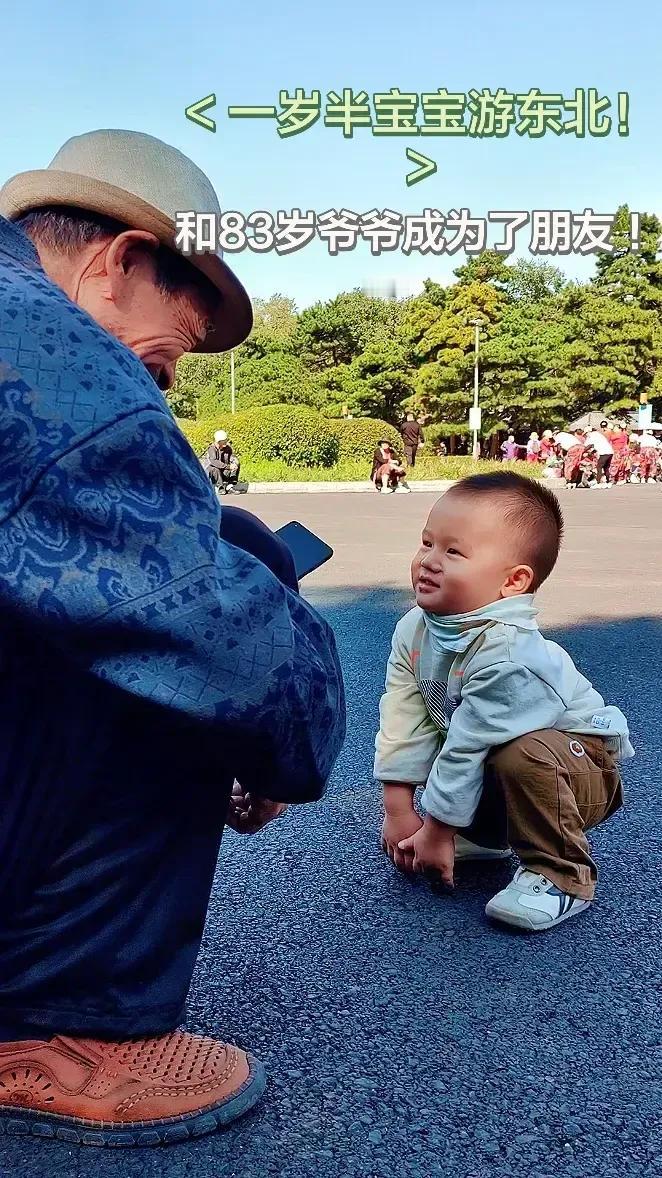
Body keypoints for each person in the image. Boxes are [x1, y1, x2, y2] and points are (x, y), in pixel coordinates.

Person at [0, 129, 346, 1146]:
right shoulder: (49, 351)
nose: (155, 389)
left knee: (230, 540)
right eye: (161, 360)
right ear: (117, 264)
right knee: (202, 646)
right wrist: (280, 740)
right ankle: (58, 1024)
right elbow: (229, 648)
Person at [376, 472, 633, 933]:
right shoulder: (415, 628)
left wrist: (435, 830)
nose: (429, 561)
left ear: (514, 581)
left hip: (579, 774)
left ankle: (562, 875)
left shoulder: (510, 652)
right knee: (447, 731)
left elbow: (471, 745)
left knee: (516, 750)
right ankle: (487, 836)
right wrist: (399, 811)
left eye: (454, 552)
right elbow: (403, 717)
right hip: (501, 761)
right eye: (427, 543)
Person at [205, 429, 241, 493]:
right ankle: (220, 488)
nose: (225, 442)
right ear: (218, 441)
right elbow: (214, 461)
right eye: (223, 441)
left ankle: (230, 486)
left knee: (236, 463)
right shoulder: (212, 449)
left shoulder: (228, 448)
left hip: (224, 470)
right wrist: (228, 466)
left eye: (226, 440)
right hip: (215, 473)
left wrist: (234, 464)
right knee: (214, 469)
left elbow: (231, 457)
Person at [586, 421, 614, 486]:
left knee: (599, 467)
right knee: (606, 467)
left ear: (588, 432)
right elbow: (596, 446)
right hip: (610, 451)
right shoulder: (598, 434)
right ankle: (607, 482)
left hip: (604, 452)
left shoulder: (592, 435)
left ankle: (598, 482)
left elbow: (589, 446)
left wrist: (583, 451)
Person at [608, 420, 630, 485]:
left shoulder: (614, 434)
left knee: (616, 465)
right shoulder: (625, 434)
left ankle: (614, 478)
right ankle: (618, 478)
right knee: (620, 465)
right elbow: (626, 444)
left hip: (617, 451)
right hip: (619, 451)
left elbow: (610, 442)